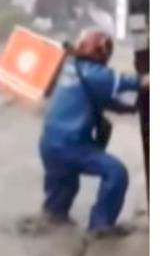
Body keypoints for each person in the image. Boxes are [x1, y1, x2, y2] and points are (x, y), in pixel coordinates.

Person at [39, 28, 149, 237]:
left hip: (49, 146)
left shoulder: (69, 67)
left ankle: (52, 222)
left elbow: (103, 99)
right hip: (72, 146)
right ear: (103, 51)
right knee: (116, 172)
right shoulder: (96, 73)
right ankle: (100, 226)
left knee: (57, 208)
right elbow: (135, 81)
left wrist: (133, 108)